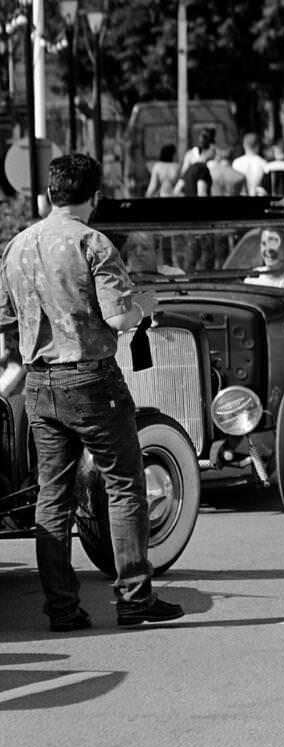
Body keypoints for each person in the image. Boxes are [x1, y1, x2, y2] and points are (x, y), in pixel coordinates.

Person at [0, 153, 184, 631]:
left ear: (48, 195)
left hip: (39, 382)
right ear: (95, 197)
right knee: (124, 485)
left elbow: (4, 318)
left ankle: (62, 609)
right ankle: (134, 598)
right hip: (91, 379)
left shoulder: (17, 246)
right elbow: (120, 319)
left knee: (52, 496)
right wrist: (143, 306)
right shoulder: (92, 243)